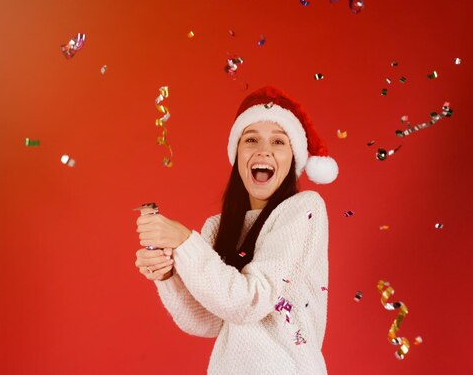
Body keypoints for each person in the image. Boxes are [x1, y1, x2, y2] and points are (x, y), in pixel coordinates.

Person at [134, 86, 338, 374]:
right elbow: (207, 320)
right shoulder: (217, 227)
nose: (263, 150)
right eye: (251, 139)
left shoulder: (304, 209)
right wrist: (169, 276)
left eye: (279, 142)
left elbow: (252, 300)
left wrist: (183, 242)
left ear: (294, 157)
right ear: (237, 153)